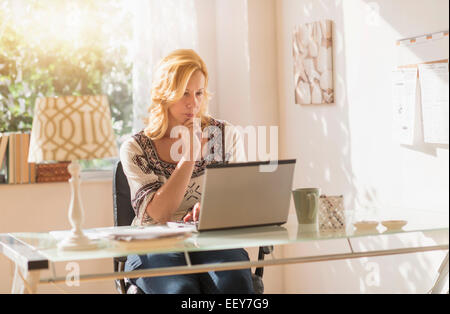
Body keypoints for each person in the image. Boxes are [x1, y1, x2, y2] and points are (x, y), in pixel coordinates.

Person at [120, 49, 254, 294]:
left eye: (199, 93)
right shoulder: (135, 147)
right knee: (179, 291)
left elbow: (239, 203)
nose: (193, 103)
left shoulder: (224, 136)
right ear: (165, 94)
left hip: (214, 241)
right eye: (184, 93)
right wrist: (190, 155)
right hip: (155, 245)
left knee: (234, 285)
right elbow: (159, 214)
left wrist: (215, 210)